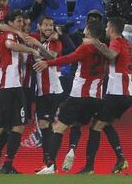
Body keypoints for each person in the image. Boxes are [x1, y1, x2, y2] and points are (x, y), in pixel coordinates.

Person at [34, 20, 106, 175]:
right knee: (80, 125)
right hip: (96, 98)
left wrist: (48, 63)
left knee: (58, 128)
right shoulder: (105, 50)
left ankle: (51, 166)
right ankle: (82, 159)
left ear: (88, 31)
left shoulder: (85, 48)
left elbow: (68, 58)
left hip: (79, 95)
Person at [0, 10, 40, 174]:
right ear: (10, 23)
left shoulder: (3, 36)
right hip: (9, 88)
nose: (21, 24)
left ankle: (5, 165)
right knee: (1, 128)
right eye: (18, 21)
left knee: (17, 127)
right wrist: (31, 50)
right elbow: (10, 45)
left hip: (12, 87)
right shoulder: (7, 35)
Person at [77, 17, 132, 174]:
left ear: (112, 29)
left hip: (118, 92)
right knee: (103, 123)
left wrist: (93, 41)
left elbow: (111, 55)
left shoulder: (116, 42)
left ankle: (89, 167)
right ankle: (120, 159)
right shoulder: (126, 43)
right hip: (126, 92)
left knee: (96, 126)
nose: (106, 30)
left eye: (108, 27)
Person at [26, 16, 63, 166]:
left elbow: (51, 58)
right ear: (39, 26)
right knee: (44, 126)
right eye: (46, 25)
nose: (48, 28)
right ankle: (48, 162)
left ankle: (50, 162)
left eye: (51, 25)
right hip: (41, 91)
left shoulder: (55, 42)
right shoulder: (36, 37)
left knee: (47, 125)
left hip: (52, 90)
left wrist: (38, 46)